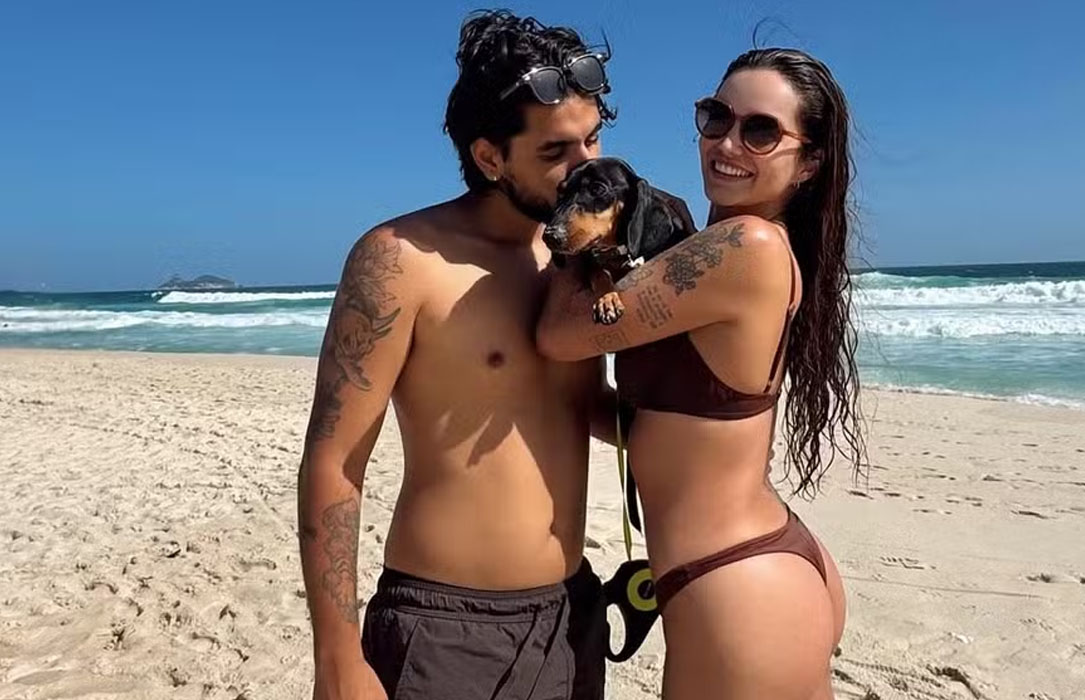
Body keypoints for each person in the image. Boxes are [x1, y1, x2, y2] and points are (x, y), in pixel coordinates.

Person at [297, 10, 618, 699]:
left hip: (572, 618)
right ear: (490, 158)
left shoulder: (580, 261)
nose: (587, 167)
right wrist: (337, 656)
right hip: (447, 630)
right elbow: (334, 460)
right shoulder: (401, 260)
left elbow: (588, 407)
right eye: (556, 151)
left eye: (593, 138)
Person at [537, 48, 863, 699]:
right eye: (716, 117)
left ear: (811, 161)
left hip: (735, 587)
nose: (727, 142)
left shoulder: (745, 247)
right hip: (752, 569)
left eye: (760, 130)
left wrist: (571, 238)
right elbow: (657, 421)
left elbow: (558, 334)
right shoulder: (716, 250)